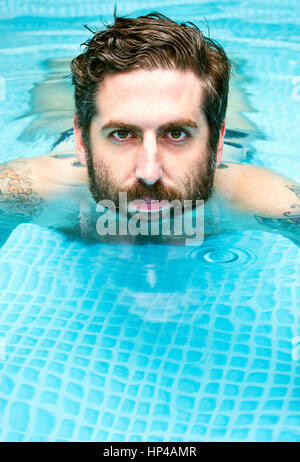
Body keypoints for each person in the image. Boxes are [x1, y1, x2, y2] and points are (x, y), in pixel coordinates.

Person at [0, 11, 299, 245]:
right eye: (121, 134)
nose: (149, 173)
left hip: (237, 143)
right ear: (81, 140)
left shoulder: (258, 200)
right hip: (62, 146)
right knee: (53, 96)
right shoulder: (33, 191)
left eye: (177, 133)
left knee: (227, 94)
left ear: (217, 143)